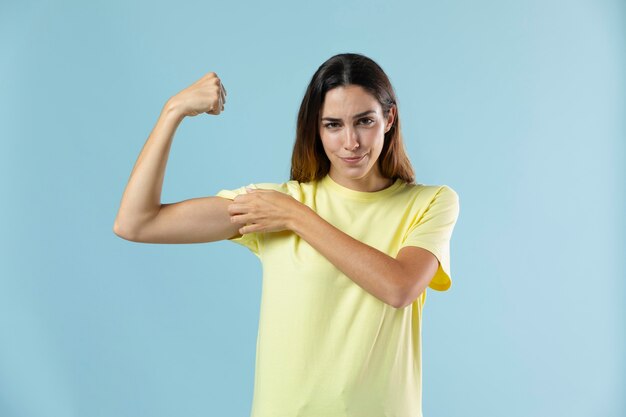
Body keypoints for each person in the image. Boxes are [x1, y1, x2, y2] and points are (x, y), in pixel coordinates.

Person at [113, 52, 460, 417]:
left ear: (389, 118)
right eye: (333, 125)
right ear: (316, 128)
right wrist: (173, 111)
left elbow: (399, 287)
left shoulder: (430, 202)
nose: (351, 142)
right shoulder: (274, 205)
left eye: (364, 121)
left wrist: (297, 217)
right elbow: (136, 222)